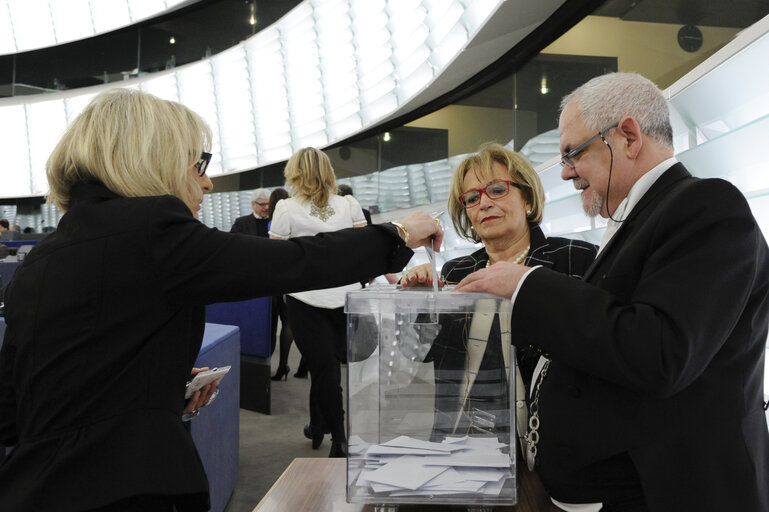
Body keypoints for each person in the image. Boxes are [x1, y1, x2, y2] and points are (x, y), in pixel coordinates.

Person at [0, 89, 443, 512]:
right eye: (198, 165)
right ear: (151, 160)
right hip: (122, 493)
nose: (208, 183)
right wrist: (396, 234)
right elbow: (293, 262)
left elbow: (18, 409)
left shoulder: (40, 261)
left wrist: (160, 387)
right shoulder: (152, 231)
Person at [454, 72, 769, 512]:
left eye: (573, 153)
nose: (565, 173)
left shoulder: (708, 206)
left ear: (627, 136)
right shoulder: (642, 218)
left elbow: (660, 350)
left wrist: (526, 285)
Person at [401, 143, 596, 448]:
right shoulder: (455, 273)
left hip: (555, 447)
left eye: (496, 189)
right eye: (472, 197)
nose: (484, 203)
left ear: (528, 199)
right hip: (462, 446)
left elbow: (595, 346)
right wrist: (421, 302)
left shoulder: (577, 258)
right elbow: (415, 356)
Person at [269, 147, 369, 457]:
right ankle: (319, 428)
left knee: (323, 368)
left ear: (294, 172)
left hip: (304, 297)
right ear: (328, 171)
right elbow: (363, 251)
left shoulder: (286, 209)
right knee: (328, 369)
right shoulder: (348, 205)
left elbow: (277, 259)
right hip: (345, 296)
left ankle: (338, 439)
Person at [266, 187, 301, 381]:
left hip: (278, 277)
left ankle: (283, 366)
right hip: (295, 276)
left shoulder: (275, 222)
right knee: (290, 321)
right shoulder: (295, 218)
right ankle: (297, 366)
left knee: (283, 321)